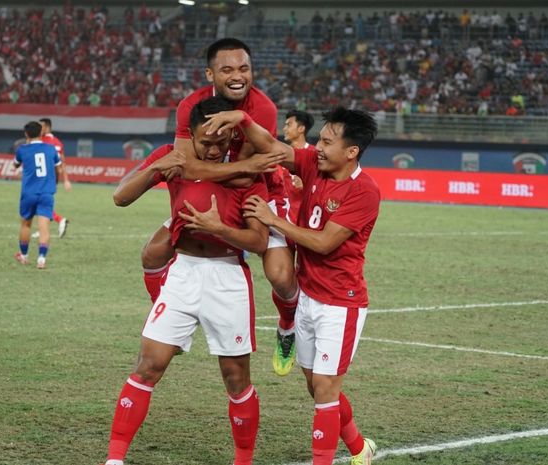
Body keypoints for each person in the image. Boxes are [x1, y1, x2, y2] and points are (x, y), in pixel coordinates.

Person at [204, 107, 380, 465]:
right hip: (308, 297)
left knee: (326, 391)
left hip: (339, 305)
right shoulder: (315, 163)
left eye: (328, 142)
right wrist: (243, 118)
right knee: (316, 387)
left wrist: (273, 221)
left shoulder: (364, 191)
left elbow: (324, 243)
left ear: (352, 151)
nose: (318, 146)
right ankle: (360, 448)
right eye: (320, 139)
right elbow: (273, 146)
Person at [103, 96, 269, 465]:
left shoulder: (247, 174)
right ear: (189, 136)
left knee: (235, 378)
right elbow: (120, 197)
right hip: (183, 272)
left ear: (232, 136)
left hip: (228, 278)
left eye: (221, 141)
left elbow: (258, 242)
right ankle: (114, 460)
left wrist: (219, 228)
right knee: (148, 366)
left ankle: (243, 460)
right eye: (204, 141)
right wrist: (157, 169)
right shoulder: (172, 157)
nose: (213, 149)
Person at [138, 37, 299, 377]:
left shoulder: (263, 109)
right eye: (227, 69)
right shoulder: (191, 106)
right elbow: (188, 165)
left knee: (281, 276)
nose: (237, 75)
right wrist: (213, 175)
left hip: (262, 191)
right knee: (153, 254)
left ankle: (287, 326)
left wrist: (234, 149)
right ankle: (167, 315)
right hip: (214, 187)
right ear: (211, 74)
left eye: (244, 68)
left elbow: (249, 177)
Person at [13, 121, 64, 269]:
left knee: (26, 224)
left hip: (29, 192)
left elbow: (16, 164)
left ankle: (24, 255)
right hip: (46, 192)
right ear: (41, 132)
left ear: (26, 134)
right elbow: (58, 169)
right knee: (44, 226)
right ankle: (41, 259)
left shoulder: (22, 149)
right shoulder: (51, 149)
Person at [39, 118, 71, 238]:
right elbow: (63, 162)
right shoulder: (58, 142)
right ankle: (43, 228)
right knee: (44, 203)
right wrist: (66, 180)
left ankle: (60, 220)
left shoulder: (42, 141)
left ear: (47, 127)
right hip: (53, 178)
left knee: (39, 203)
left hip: (44, 177)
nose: (39, 129)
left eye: (41, 126)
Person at [282, 109, 315, 224]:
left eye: (289, 125)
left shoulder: (315, 155)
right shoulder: (281, 155)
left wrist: (307, 185)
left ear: (301, 129)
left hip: (306, 219)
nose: (284, 129)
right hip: (283, 217)